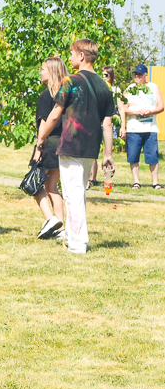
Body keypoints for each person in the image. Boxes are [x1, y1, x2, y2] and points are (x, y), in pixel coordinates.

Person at [36, 39, 116, 254]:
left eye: (71, 53)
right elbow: (107, 123)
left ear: (81, 55)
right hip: (91, 147)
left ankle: (78, 243)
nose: (69, 57)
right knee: (78, 193)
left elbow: (55, 114)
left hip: (71, 144)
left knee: (73, 194)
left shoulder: (69, 81)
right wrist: (108, 154)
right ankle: (72, 236)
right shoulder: (104, 86)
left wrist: (41, 137)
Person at [33, 58, 68, 240]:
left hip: (47, 143)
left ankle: (50, 220)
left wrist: (39, 145)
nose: (40, 72)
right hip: (61, 143)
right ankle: (61, 229)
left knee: (34, 184)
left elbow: (44, 123)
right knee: (52, 187)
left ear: (52, 71)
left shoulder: (46, 95)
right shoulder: (64, 95)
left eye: (43, 69)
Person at [119, 64, 163, 189]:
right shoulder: (130, 88)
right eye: (135, 74)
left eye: (139, 74)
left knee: (153, 156)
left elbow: (161, 106)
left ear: (146, 75)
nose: (137, 76)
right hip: (134, 128)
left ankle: (155, 182)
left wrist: (150, 112)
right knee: (133, 155)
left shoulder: (154, 87)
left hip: (150, 128)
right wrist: (135, 112)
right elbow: (123, 108)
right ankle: (136, 181)